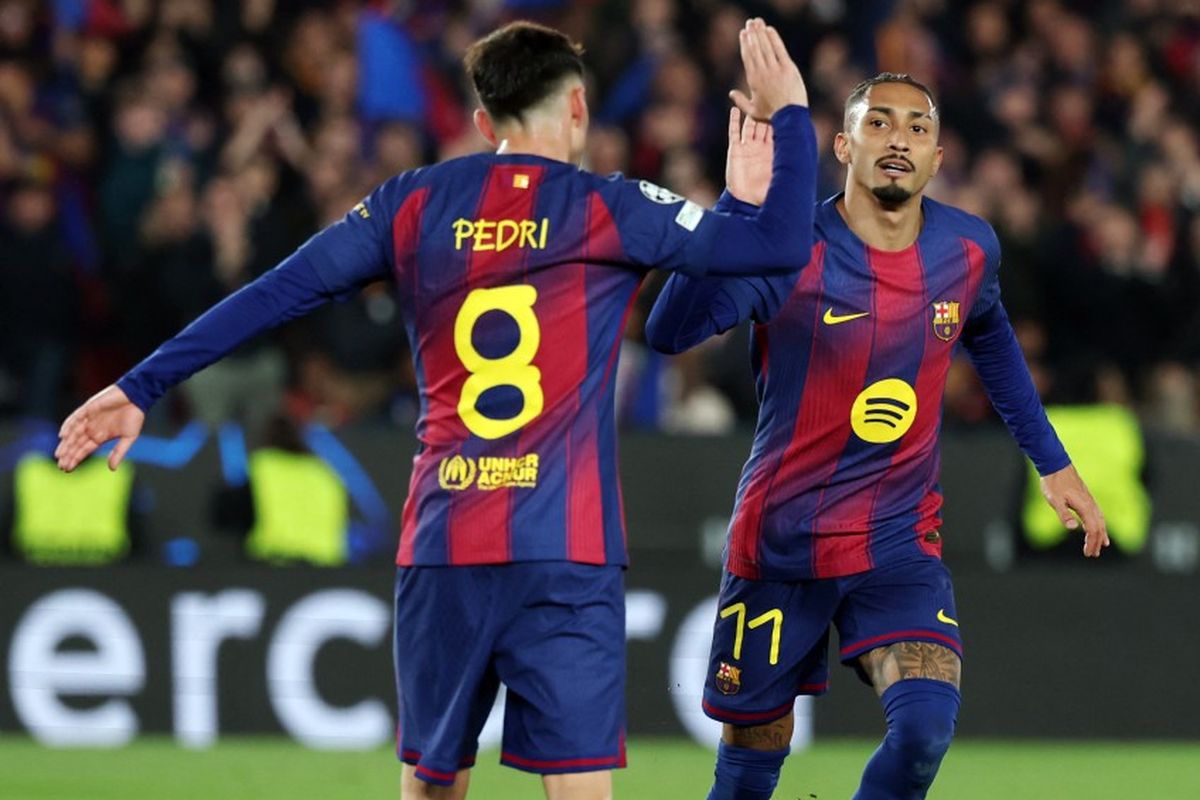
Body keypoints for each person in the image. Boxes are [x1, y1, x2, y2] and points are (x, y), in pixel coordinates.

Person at [56, 19, 817, 800]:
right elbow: (783, 245)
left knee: (431, 784)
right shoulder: (614, 207)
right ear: (578, 107)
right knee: (579, 790)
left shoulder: (411, 203)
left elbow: (274, 294)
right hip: (566, 547)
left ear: (484, 124)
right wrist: (787, 117)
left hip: (446, 537)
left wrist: (140, 386)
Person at [645, 73, 1109, 800]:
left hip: (897, 540)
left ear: (938, 157)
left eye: (918, 128)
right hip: (783, 542)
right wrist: (734, 208)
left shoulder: (969, 249)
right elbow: (668, 332)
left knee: (924, 730)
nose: (899, 139)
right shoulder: (787, 248)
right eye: (880, 123)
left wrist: (1052, 462)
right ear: (843, 146)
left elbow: (990, 336)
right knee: (749, 771)